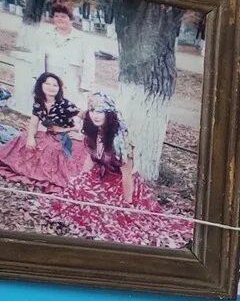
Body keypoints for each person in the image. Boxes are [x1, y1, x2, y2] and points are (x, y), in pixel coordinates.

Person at [53, 96, 192, 250]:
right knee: (77, 186)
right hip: (101, 175)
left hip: (119, 184)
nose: (96, 115)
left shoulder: (120, 141)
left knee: (101, 204)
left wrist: (128, 204)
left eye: (101, 111)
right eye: (92, 110)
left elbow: (127, 177)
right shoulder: (94, 132)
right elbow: (91, 158)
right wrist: (82, 177)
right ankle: (80, 219)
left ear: (110, 114)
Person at [0, 73, 78, 191]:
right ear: (40, 85)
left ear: (59, 88)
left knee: (51, 149)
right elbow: (34, 123)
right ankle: (25, 168)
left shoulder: (65, 104)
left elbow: (83, 118)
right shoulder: (39, 103)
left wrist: (72, 131)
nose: (51, 87)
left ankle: (44, 175)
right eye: (47, 84)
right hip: (51, 135)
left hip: (66, 137)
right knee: (23, 138)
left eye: (55, 85)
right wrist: (31, 137)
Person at [35, 2, 97, 109]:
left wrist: (85, 86)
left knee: (71, 114)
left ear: (71, 19)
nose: (59, 19)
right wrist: (39, 81)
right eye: (56, 16)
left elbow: (89, 64)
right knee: (48, 111)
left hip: (72, 85)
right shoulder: (45, 35)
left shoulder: (83, 39)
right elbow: (38, 60)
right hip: (50, 85)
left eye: (63, 16)